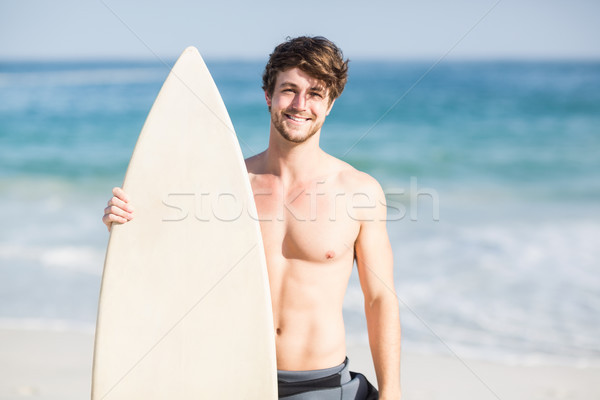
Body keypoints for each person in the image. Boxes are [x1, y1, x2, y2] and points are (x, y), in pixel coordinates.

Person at [103, 36, 401, 399]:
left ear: (330, 104)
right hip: (228, 379)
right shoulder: (225, 185)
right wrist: (124, 226)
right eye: (288, 90)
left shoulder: (360, 192)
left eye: (315, 94)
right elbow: (169, 270)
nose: (299, 104)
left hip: (320, 385)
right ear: (268, 95)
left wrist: (391, 391)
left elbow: (379, 300)